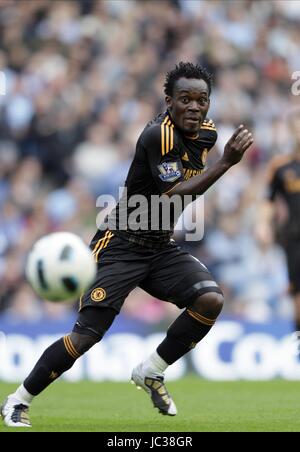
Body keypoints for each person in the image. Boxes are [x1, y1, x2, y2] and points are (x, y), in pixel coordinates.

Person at [1, 62, 253, 427]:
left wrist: (221, 161)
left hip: (159, 245)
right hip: (120, 243)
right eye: (185, 99)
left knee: (210, 299)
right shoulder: (158, 136)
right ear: (169, 101)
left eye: (202, 100)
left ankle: (152, 370)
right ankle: (17, 400)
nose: (195, 107)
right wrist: (227, 164)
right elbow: (175, 192)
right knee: (86, 336)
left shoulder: (208, 135)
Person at [259, 109, 300, 333]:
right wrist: (263, 225)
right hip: (294, 237)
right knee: (297, 296)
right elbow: (268, 199)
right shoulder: (281, 166)